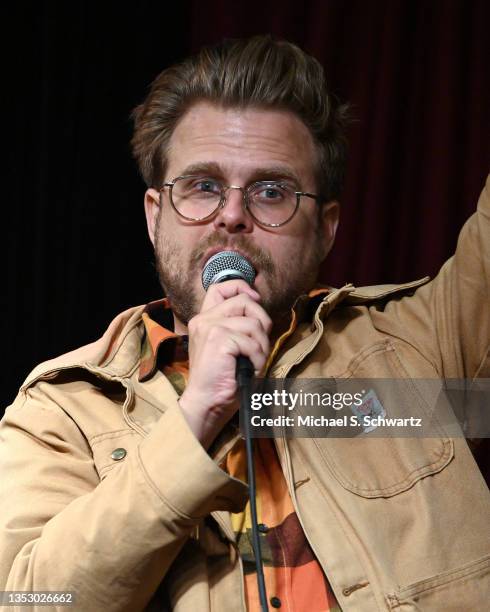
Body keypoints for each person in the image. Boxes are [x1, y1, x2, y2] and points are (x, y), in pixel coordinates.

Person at [0, 35, 489, 612]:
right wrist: (194, 419)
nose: (232, 216)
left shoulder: (425, 341)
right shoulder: (64, 408)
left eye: (272, 191)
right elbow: (31, 601)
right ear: (155, 216)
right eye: (203, 185)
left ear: (326, 228)